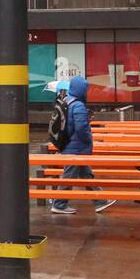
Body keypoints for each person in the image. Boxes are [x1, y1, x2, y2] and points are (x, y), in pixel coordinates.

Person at [48, 76, 115, 215]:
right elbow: (81, 128)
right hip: (76, 147)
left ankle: (100, 201)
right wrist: (88, 139)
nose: (86, 92)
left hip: (69, 144)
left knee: (86, 174)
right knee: (69, 176)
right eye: (85, 89)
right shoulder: (78, 105)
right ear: (81, 89)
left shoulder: (66, 100)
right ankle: (59, 204)